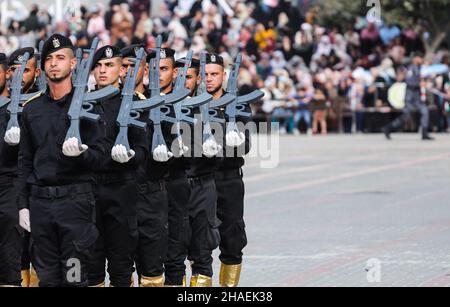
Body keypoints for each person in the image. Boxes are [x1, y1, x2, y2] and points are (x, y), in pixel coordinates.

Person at [17, 34, 106, 287]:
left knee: (74, 277)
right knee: (47, 280)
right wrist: (23, 204)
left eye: (60, 57)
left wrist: (83, 153)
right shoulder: (32, 109)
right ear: (43, 66)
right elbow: (25, 160)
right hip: (41, 205)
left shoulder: (89, 108)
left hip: (75, 205)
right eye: (49, 59)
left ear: (73, 63)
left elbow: (101, 158)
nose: (54, 63)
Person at [88, 46, 146, 287]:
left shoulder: (133, 103)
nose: (103, 70)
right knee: (90, 264)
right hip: (88, 191)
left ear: (121, 70)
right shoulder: (82, 103)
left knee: (121, 264)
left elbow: (143, 150)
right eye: (99, 65)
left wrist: (130, 156)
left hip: (121, 189)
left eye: (109, 65)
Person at [383, 52, 434, 140]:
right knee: (406, 115)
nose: (421, 60)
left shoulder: (419, 68)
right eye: (420, 58)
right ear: (415, 58)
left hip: (417, 96)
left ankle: (424, 133)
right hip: (410, 96)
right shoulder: (411, 68)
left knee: (425, 111)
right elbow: (409, 81)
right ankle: (389, 128)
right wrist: (419, 83)